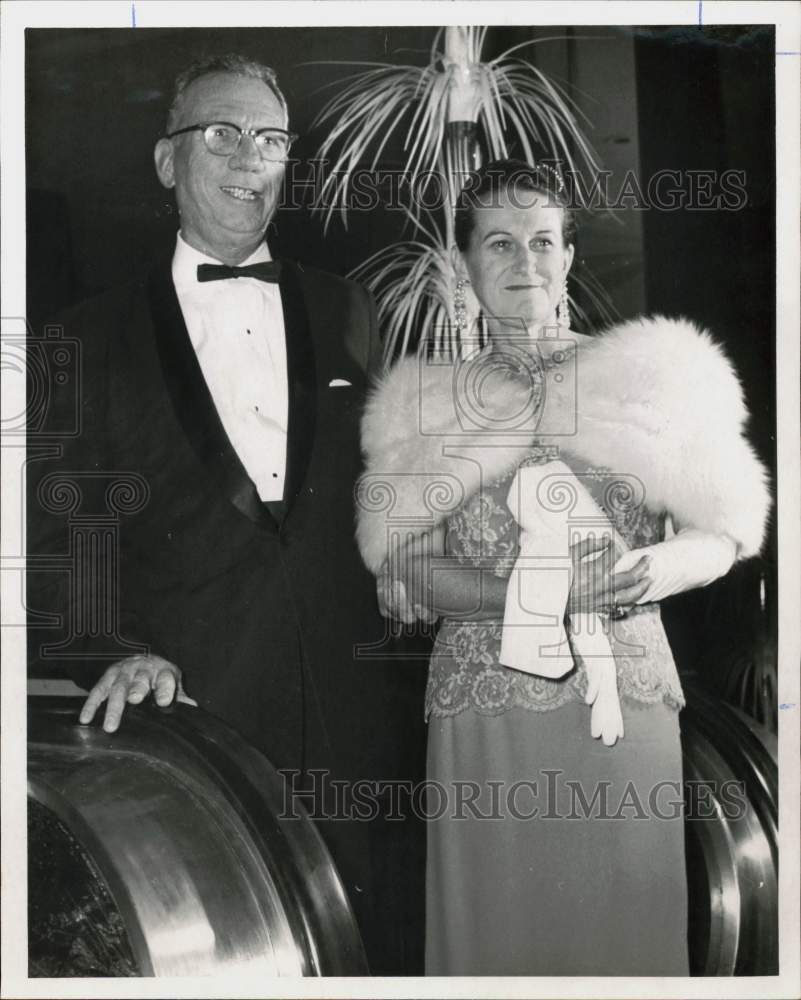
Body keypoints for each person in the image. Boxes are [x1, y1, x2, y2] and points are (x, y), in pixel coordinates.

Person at [26, 53, 426, 976]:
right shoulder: (84, 338)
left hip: (359, 722)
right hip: (188, 728)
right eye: (221, 132)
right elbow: (55, 546)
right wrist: (112, 650)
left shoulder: (349, 310)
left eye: (272, 139)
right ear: (167, 162)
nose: (249, 156)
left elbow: (388, 489)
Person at [356, 159, 770, 975]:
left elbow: (725, 531)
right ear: (464, 260)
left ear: (569, 255)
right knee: (498, 944)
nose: (524, 264)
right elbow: (411, 569)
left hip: (619, 696)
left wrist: (652, 568)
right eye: (499, 244)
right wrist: (539, 593)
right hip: (486, 707)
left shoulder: (655, 375)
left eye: (543, 242)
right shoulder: (421, 400)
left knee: (623, 937)